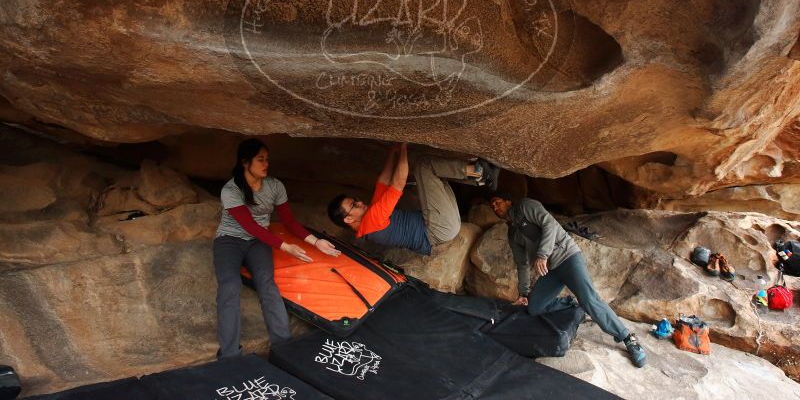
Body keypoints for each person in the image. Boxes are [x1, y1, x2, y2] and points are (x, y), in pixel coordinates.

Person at [488, 192, 647, 368]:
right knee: (534, 308)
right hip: (551, 270)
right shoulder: (512, 233)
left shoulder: (526, 206)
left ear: (508, 201)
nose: (495, 207)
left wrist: (542, 254)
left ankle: (628, 338)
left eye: (497, 202)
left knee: (590, 300)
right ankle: (571, 302)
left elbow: (549, 223)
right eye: (492, 206)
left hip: (568, 257)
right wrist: (523, 292)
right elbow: (522, 264)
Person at [214, 138, 340, 358]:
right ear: (245, 162)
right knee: (229, 286)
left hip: (258, 243)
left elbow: (289, 222)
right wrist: (285, 247)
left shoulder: (275, 186)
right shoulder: (231, 190)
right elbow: (250, 226)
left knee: (268, 285)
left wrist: (315, 241)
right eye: (260, 160)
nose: (266, 164)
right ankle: (229, 355)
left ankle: (283, 347)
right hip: (229, 241)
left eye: (267, 160)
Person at [327, 142, 499, 255]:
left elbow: (384, 182)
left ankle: (482, 177)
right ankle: (480, 172)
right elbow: (398, 182)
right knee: (424, 166)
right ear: (349, 218)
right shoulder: (372, 222)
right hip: (438, 231)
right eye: (354, 204)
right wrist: (403, 147)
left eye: (355, 199)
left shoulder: (370, 218)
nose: (359, 202)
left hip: (441, 228)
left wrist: (392, 153)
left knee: (436, 177)